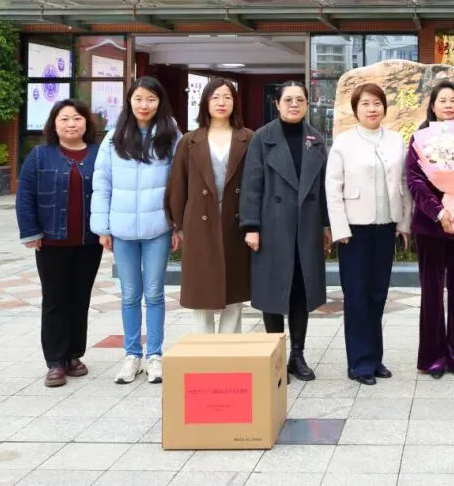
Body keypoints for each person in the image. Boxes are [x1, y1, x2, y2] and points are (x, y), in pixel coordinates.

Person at [91, 76, 180, 385]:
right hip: (122, 230)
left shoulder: (171, 136)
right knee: (130, 295)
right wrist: (102, 227)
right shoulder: (114, 137)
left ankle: (154, 355)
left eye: (151, 99)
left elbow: (178, 185)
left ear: (160, 102)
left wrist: (177, 225)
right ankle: (132, 355)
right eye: (139, 99)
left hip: (158, 229)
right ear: (129, 101)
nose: (144, 105)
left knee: (154, 293)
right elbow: (102, 183)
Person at [240, 81, 331, 382]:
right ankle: (276, 357)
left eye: (300, 100)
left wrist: (325, 225)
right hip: (272, 226)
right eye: (288, 100)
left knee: (301, 291)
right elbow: (252, 185)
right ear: (277, 104)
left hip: (307, 226)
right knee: (273, 291)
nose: (294, 105)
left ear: (307, 104)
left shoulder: (315, 138)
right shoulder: (262, 138)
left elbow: (323, 187)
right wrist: (251, 226)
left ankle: (297, 355)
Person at [325, 83, 411, 385]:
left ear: (384, 107)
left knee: (378, 294)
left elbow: (404, 183)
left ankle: (375, 359)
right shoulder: (344, 142)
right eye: (365, 104)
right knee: (357, 295)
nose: (372, 109)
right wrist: (340, 229)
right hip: (354, 230)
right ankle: (359, 363)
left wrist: (404, 223)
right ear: (355, 110)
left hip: (386, 226)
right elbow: (332, 188)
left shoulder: (396, 140)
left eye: (377, 103)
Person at [16, 98, 102, 388]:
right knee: (55, 299)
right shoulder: (40, 155)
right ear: (54, 124)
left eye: (77, 118)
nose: (71, 124)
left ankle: (74, 355)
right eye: (64, 119)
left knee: (80, 298)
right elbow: (25, 196)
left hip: (89, 241)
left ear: (86, 123)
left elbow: (108, 193)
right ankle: (55, 361)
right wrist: (31, 232)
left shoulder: (98, 154)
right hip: (51, 242)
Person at [165, 78, 253, 334]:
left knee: (234, 290)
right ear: (205, 102)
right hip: (199, 223)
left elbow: (257, 184)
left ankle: (229, 346)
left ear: (235, 102)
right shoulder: (189, 140)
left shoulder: (248, 138)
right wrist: (178, 225)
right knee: (200, 291)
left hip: (236, 222)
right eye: (215, 97)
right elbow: (178, 184)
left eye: (227, 97)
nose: (221, 102)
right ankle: (203, 347)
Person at [407, 81, 454, 379]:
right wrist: (438, 211)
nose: (449, 105)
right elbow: (414, 179)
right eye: (443, 100)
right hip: (430, 225)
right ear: (432, 106)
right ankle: (433, 357)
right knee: (432, 292)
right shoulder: (420, 138)